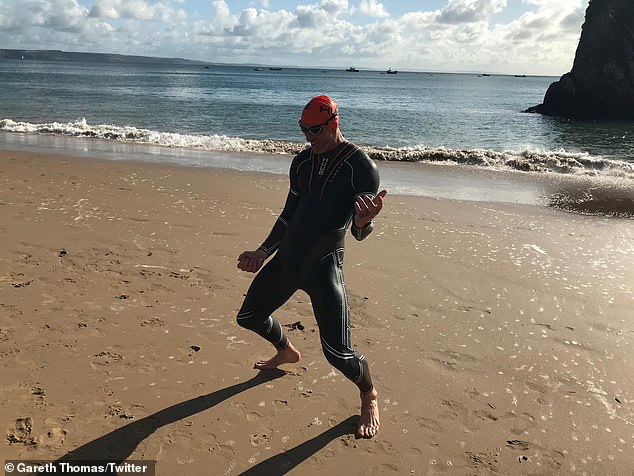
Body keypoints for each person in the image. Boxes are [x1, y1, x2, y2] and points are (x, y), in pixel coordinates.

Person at [236, 95, 387, 438]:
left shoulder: (361, 168)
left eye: (315, 130)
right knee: (248, 317)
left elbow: (359, 232)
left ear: (334, 122)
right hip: (288, 258)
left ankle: (368, 394)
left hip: (323, 266)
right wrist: (262, 251)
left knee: (338, 354)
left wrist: (364, 222)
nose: (308, 136)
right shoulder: (302, 162)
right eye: (303, 129)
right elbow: (289, 215)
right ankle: (286, 351)